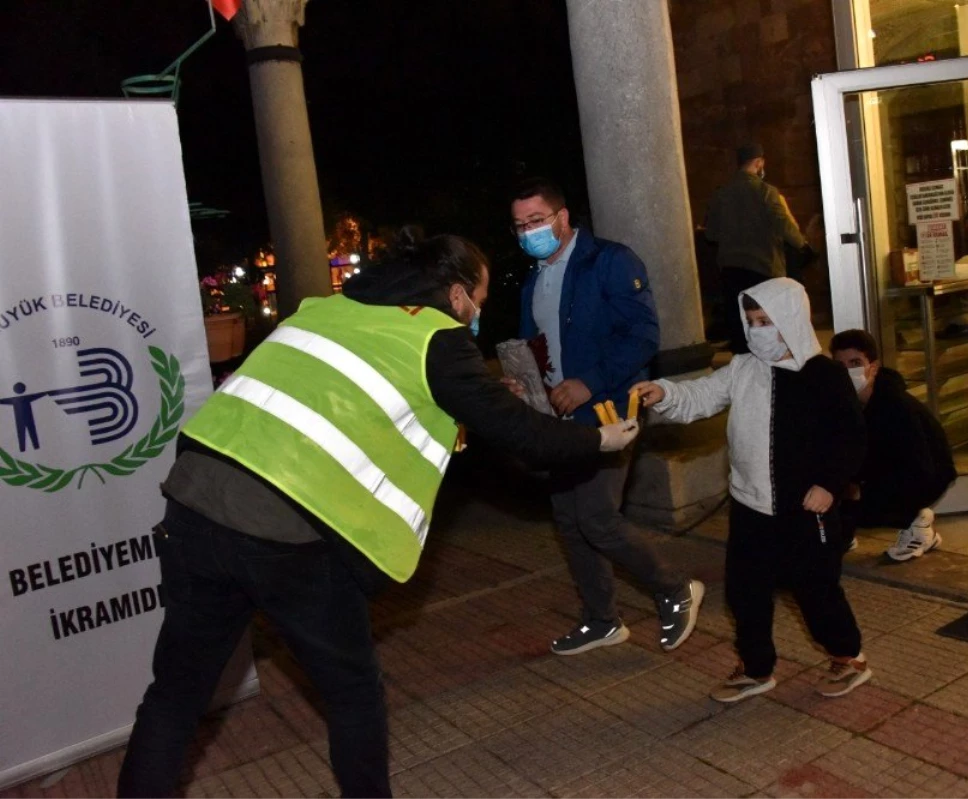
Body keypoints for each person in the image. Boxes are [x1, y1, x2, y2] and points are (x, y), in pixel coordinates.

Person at [116, 232, 641, 799]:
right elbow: (522, 437)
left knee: (174, 696)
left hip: (193, 503)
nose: (477, 314)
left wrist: (475, 400)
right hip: (285, 532)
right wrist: (598, 441)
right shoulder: (437, 335)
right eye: (479, 301)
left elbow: (356, 401)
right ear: (458, 295)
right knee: (352, 693)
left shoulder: (323, 309)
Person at [635, 278, 871, 702]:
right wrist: (664, 393)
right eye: (751, 321)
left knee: (815, 591)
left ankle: (848, 657)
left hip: (806, 508)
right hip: (750, 505)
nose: (757, 329)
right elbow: (702, 395)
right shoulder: (744, 368)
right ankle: (756, 668)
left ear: (791, 320)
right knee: (746, 594)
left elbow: (851, 437)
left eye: (766, 320)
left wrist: (829, 486)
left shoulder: (824, 375)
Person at [510, 177, 704, 657]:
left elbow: (643, 335)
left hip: (607, 410)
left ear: (562, 218)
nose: (528, 232)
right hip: (557, 419)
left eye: (536, 221)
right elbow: (531, 345)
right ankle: (602, 620)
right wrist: (522, 380)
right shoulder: (534, 277)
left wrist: (588, 381)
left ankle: (675, 588)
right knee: (570, 521)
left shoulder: (611, 261)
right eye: (519, 226)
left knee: (597, 517)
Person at [830, 329, 956, 561]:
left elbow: (918, 466)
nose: (848, 372)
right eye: (842, 365)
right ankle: (842, 537)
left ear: (873, 367)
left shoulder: (895, 406)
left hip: (926, 474)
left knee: (858, 502)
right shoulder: (846, 401)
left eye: (856, 363)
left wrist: (861, 491)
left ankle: (916, 521)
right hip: (890, 469)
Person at [705, 143, 808, 354]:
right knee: (766, 322)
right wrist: (803, 245)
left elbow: (711, 234)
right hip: (763, 268)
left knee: (739, 324)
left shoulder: (721, 194)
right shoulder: (766, 192)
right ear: (759, 162)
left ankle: (743, 369)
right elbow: (783, 224)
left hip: (731, 269)